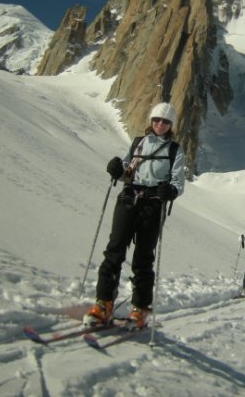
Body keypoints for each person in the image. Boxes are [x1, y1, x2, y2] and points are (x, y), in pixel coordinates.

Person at [83, 103, 185, 329]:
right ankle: (103, 302)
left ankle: (140, 308)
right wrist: (118, 170)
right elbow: (128, 167)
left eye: (165, 121)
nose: (160, 124)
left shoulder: (175, 150)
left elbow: (178, 182)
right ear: (151, 120)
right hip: (128, 199)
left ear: (171, 125)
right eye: (157, 119)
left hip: (153, 204)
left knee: (143, 257)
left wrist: (171, 191)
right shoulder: (139, 142)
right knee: (114, 250)